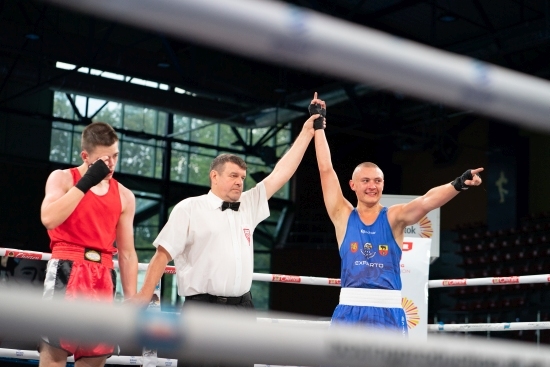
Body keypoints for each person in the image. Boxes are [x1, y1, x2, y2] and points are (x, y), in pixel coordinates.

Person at [128, 94, 325, 311]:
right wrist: (144, 294)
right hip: (203, 307)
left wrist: (307, 132)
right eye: (233, 176)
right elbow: (161, 255)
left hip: (243, 306)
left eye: (242, 177)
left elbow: (281, 173)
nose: (239, 182)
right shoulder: (189, 208)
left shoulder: (248, 203)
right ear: (214, 176)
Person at [313, 101, 483, 336]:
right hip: (350, 309)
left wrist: (458, 184)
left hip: (388, 312)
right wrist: (319, 126)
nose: (372, 186)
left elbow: (426, 201)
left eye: (377, 181)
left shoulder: (394, 217)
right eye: (365, 181)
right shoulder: (343, 215)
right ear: (352, 185)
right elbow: (326, 170)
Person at [39, 121, 138, 367]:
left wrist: (132, 299)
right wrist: (86, 183)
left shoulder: (124, 195)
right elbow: (49, 218)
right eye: (105, 159)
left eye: (115, 156)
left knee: (95, 357)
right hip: (67, 268)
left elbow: (126, 253)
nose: (112, 164)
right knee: (55, 354)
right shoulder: (62, 178)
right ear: (85, 156)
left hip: (104, 275)